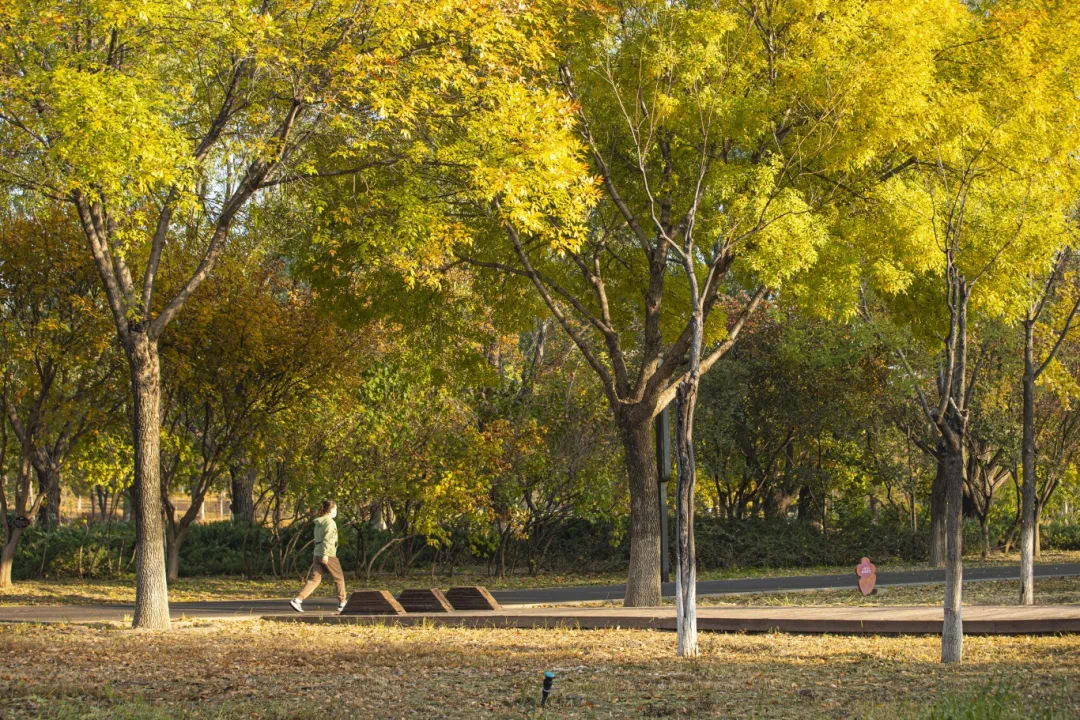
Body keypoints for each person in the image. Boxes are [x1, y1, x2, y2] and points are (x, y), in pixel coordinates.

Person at [290, 500, 347, 613]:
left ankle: (298, 600)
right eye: (335, 509)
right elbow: (328, 540)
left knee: (315, 580)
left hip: (317, 553)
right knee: (339, 578)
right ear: (330, 510)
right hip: (328, 554)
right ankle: (342, 602)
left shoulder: (319, 522)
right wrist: (326, 555)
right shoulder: (330, 523)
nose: (336, 511)